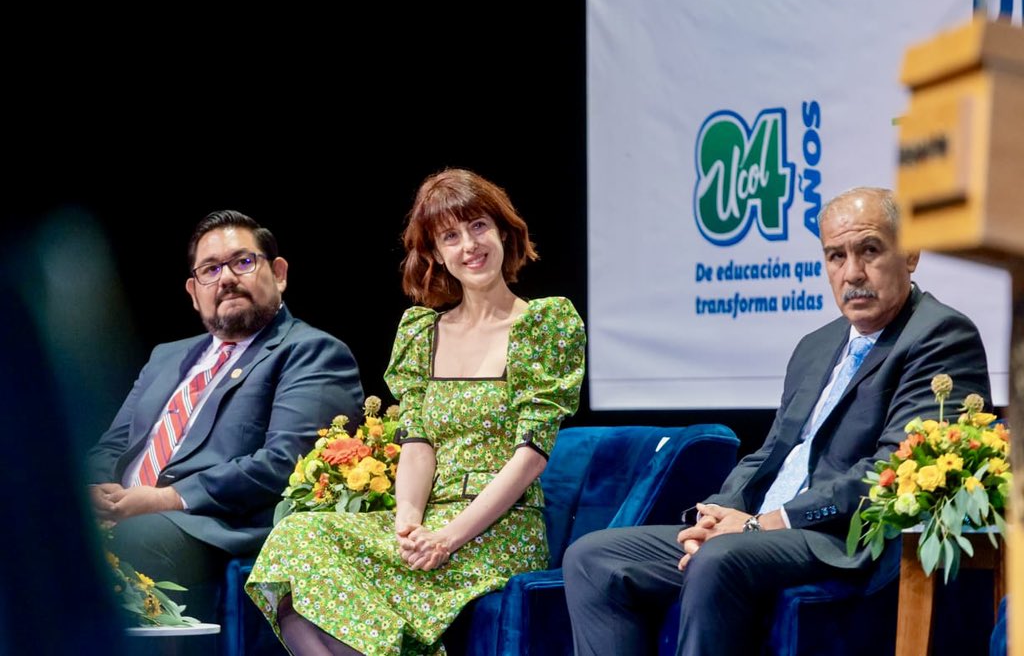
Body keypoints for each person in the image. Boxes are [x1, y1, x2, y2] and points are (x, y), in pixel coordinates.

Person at [562, 187, 992, 656]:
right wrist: (718, 513)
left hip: (840, 540)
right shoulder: (816, 344)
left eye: (869, 250)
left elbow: (891, 472)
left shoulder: (940, 335)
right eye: (836, 255)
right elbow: (772, 451)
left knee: (721, 558)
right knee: (593, 558)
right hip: (759, 530)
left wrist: (768, 523)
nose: (852, 273)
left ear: (909, 254)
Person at [245, 168, 586, 655]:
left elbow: (531, 456)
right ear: (436, 254)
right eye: (451, 236)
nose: (469, 245)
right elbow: (418, 443)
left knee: (313, 597)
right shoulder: (421, 331)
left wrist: (447, 538)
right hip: (429, 518)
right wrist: (408, 521)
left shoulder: (544, 323)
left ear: (504, 232)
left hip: (496, 530)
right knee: (294, 548)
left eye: (478, 227)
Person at [86, 210, 365, 623]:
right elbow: (115, 445)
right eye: (210, 269)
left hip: (208, 527)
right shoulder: (167, 356)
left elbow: (286, 463)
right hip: (126, 512)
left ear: (279, 272)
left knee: (105, 545)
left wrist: (163, 499)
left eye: (243, 262)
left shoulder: (311, 352)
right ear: (193, 291)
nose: (226, 278)